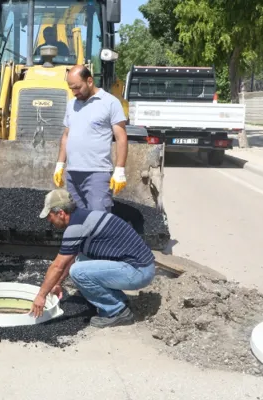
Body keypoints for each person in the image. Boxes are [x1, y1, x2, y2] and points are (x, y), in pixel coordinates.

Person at [30, 189, 156, 328]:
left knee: (78, 271)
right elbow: (71, 257)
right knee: (81, 260)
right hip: (140, 266)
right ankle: (119, 301)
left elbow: (58, 266)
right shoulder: (84, 216)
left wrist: (41, 296)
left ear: (61, 213)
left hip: (138, 271)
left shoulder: (76, 227)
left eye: (50, 215)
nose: (49, 220)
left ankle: (118, 312)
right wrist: (58, 283)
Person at [54, 65, 128, 212]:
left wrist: (120, 170)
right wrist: (60, 164)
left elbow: (121, 138)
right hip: (72, 175)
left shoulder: (110, 103)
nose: (74, 92)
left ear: (89, 81)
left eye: (77, 87)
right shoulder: (71, 105)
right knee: (77, 220)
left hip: (97, 174)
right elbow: (66, 135)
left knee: (98, 220)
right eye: (71, 88)